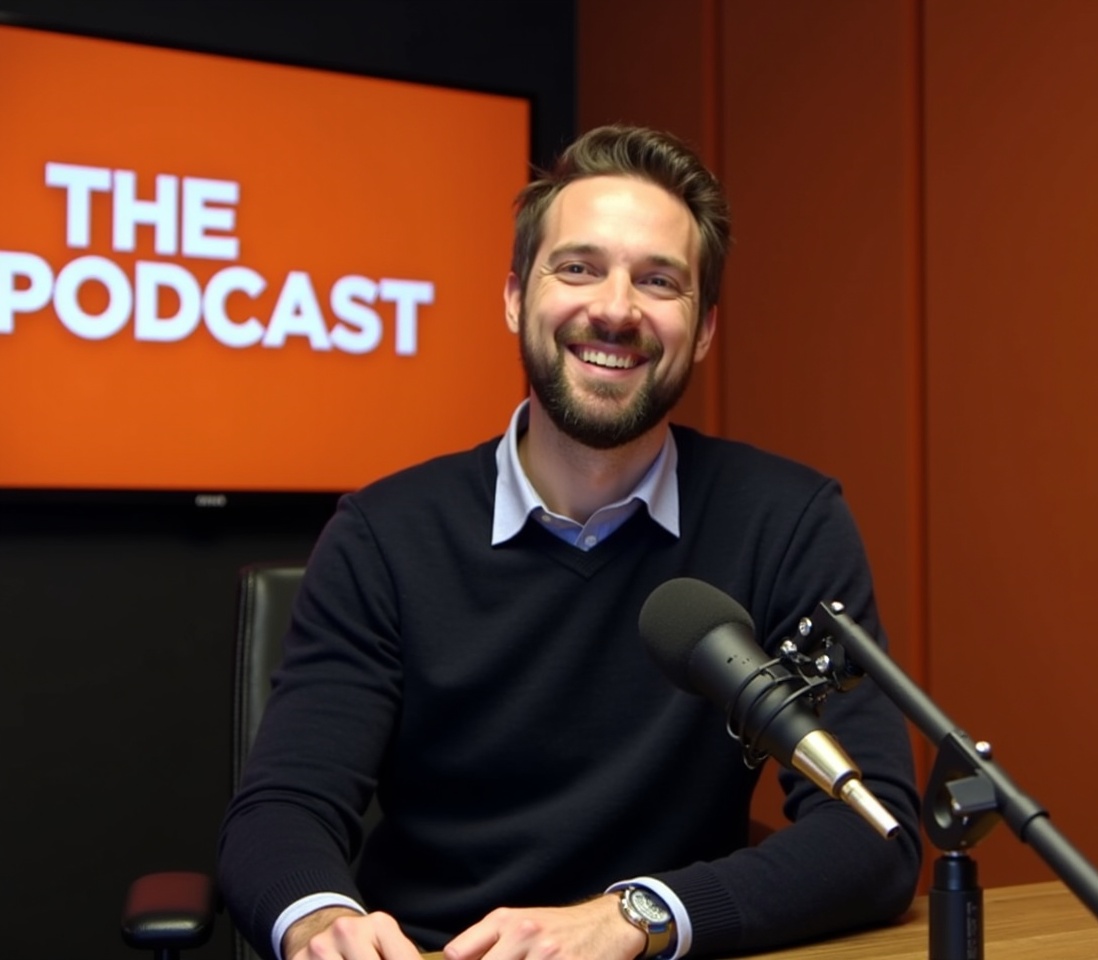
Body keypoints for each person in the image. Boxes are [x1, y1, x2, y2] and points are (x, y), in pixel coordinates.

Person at [218, 124, 922, 960]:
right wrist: (320, 922)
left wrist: (638, 915)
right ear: (516, 298)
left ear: (701, 331)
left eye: (659, 281)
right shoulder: (383, 533)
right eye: (578, 267)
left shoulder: (786, 520)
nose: (615, 309)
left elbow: (874, 828)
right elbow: (281, 812)